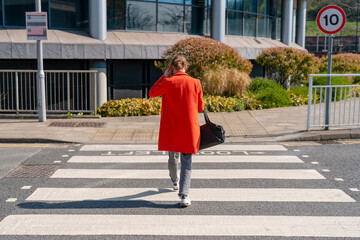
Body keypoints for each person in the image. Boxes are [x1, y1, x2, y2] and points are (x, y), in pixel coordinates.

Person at [149, 55, 204, 207]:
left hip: (172, 128)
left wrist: (163, 77)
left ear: (172, 68)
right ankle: (184, 195)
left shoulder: (168, 81)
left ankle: (174, 181)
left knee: (173, 157)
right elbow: (200, 107)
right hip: (188, 129)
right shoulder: (195, 83)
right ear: (186, 67)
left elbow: (152, 93)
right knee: (187, 161)